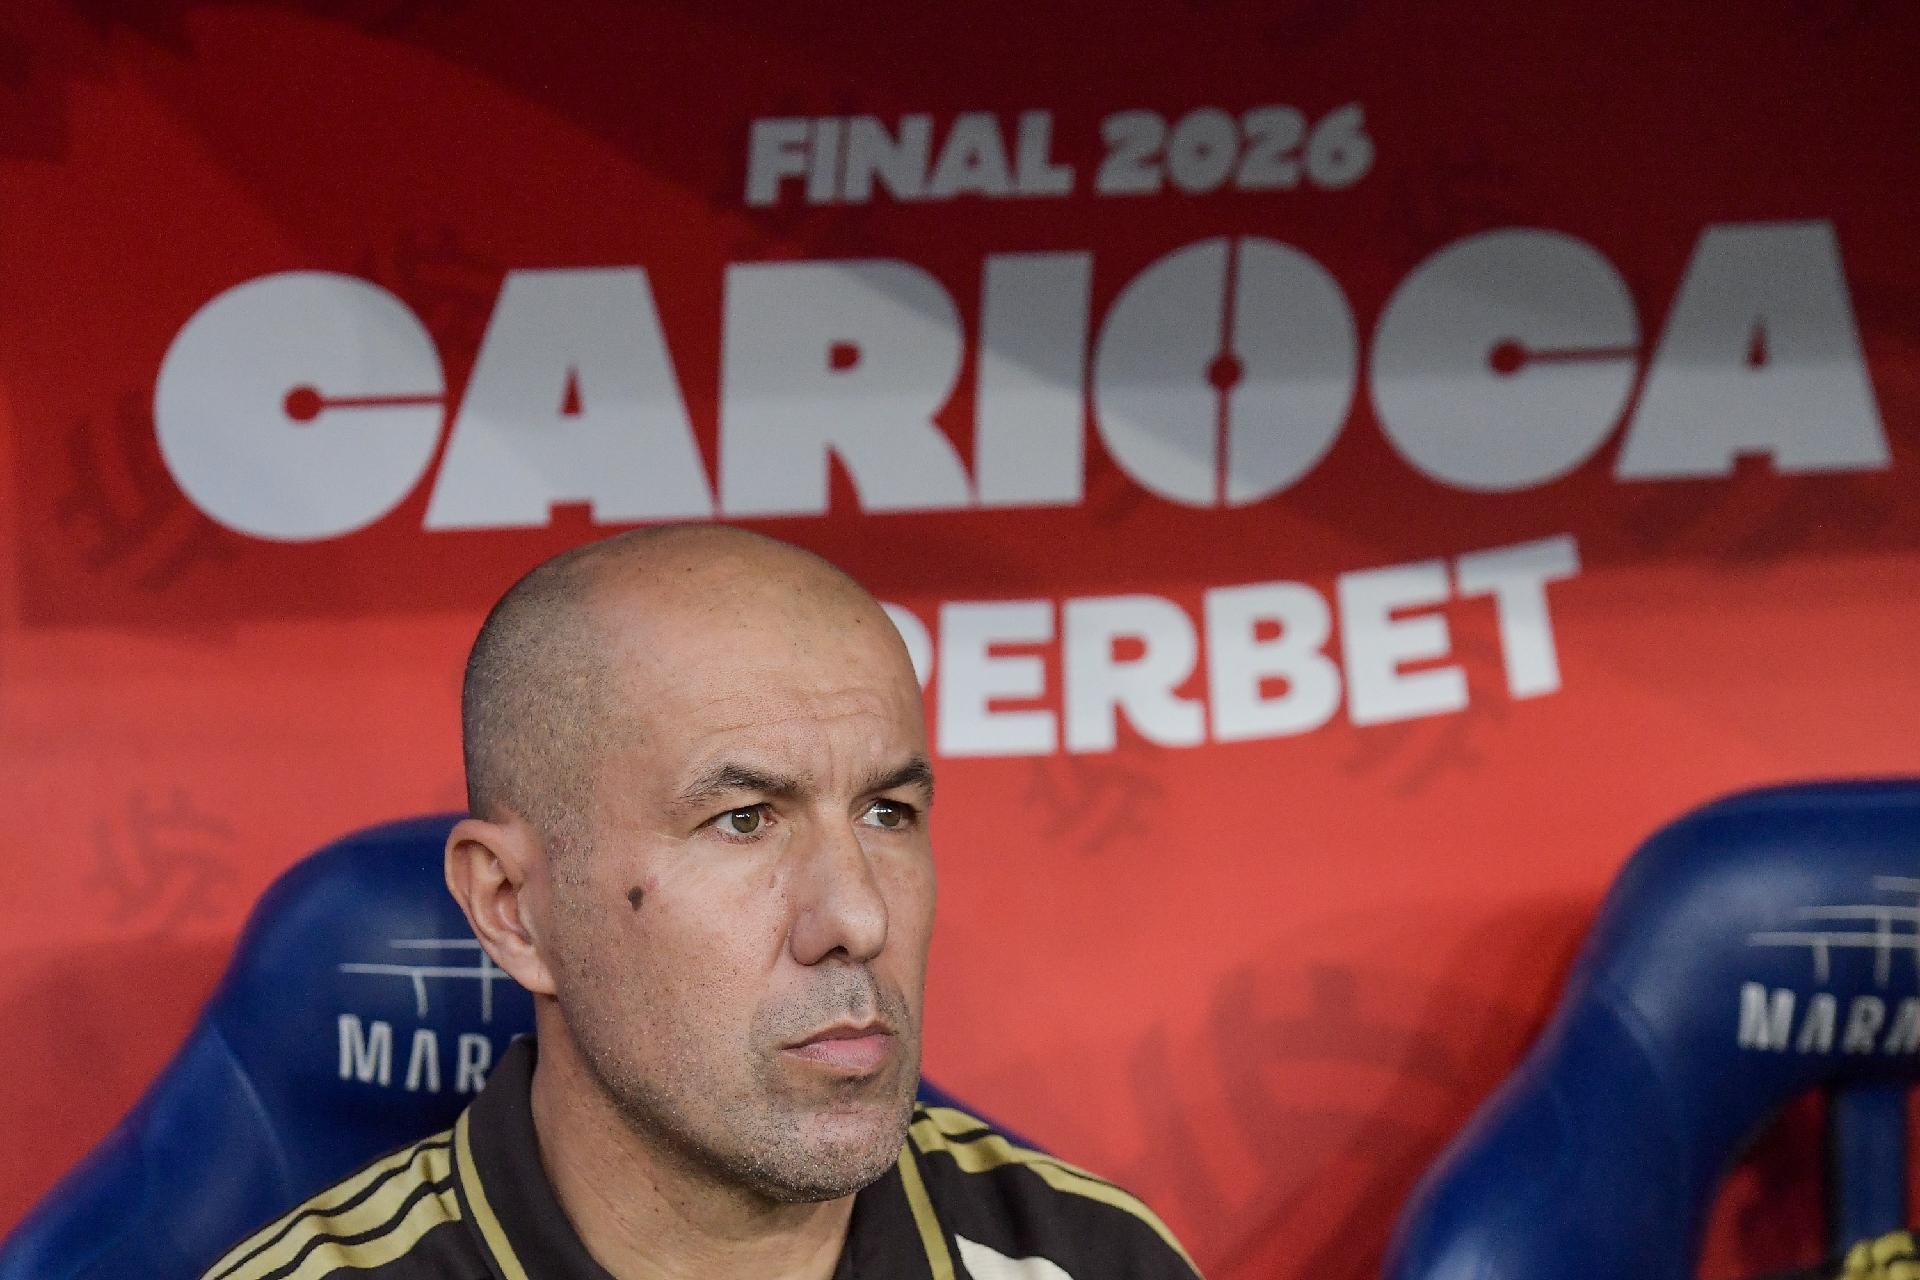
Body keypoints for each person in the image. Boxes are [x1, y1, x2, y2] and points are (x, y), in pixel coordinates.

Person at [200, 526, 1201, 1280]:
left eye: (888, 811)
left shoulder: (1095, 1260)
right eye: (743, 819)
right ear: (512, 907)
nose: (857, 918)